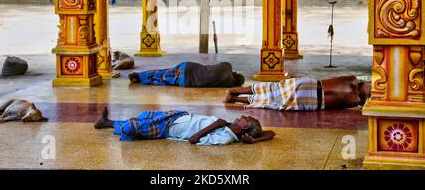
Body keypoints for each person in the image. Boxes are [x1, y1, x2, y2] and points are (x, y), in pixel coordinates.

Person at [94, 107, 275, 145]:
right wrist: (256, 139)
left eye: (246, 118)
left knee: (133, 126)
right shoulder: (229, 127)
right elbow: (272, 133)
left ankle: (120, 129)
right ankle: (108, 123)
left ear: (243, 127)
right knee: (142, 116)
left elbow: (193, 139)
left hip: (169, 129)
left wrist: (215, 125)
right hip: (177, 117)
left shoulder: (226, 137)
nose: (243, 115)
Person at [224, 75, 371, 111]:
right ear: (362, 83)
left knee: (275, 99)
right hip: (311, 89)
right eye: (370, 91)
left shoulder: (355, 98)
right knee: (274, 92)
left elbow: (362, 100)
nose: (370, 93)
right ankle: (235, 92)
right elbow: (362, 99)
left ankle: (236, 97)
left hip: (311, 100)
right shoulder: (353, 89)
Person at [127, 61, 245, 88]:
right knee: (163, 79)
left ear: (235, 73)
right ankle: (141, 79)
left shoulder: (227, 66)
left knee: (163, 71)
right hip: (186, 82)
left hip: (189, 67)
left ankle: (139, 75)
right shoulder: (228, 84)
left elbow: (215, 66)